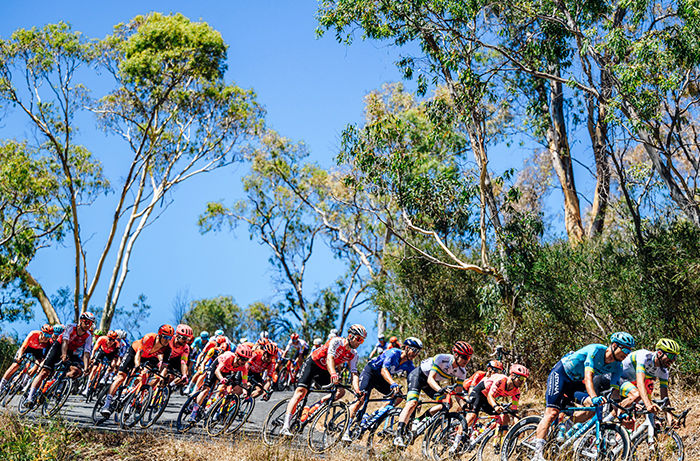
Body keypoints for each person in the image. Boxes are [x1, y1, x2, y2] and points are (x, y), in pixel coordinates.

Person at [530, 332, 635, 461]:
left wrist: (619, 412)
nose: (627, 354)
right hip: (561, 374)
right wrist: (593, 396)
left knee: (591, 408)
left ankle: (566, 426)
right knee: (552, 413)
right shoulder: (596, 350)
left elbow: (615, 393)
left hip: (575, 383)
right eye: (625, 349)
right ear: (614, 345)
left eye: (629, 351)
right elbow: (588, 377)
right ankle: (537, 455)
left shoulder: (618, 366)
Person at [280, 324, 367, 436]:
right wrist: (333, 374)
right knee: (301, 392)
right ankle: (285, 426)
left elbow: (354, 373)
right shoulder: (336, 341)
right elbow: (329, 358)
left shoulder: (353, 354)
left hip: (325, 370)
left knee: (341, 392)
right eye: (358, 339)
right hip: (313, 364)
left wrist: (357, 390)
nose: (359, 342)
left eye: (362, 341)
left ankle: (314, 407)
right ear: (350, 336)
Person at [393, 341, 473, 448]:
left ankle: (418, 420)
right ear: (456, 355)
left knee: (447, 404)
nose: (466, 361)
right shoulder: (442, 359)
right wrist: (441, 389)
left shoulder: (462, 372)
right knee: (412, 403)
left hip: (430, 382)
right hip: (419, 376)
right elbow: (431, 379)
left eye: (469, 358)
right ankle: (398, 434)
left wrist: (464, 405)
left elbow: (458, 392)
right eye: (464, 357)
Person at [342, 336, 423, 442]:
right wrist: (393, 383)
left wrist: (415, 398)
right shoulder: (393, 353)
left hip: (381, 380)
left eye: (418, 352)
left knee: (398, 397)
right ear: (407, 348)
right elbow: (384, 370)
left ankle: (373, 415)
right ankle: (346, 430)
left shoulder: (409, 365)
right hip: (370, 373)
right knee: (360, 400)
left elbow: (412, 382)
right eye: (415, 350)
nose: (416, 354)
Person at [100, 324, 173, 417]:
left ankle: (130, 399)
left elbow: (164, 366)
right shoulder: (150, 338)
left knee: (144, 376)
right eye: (165, 337)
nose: (167, 340)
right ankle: (107, 404)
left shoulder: (167, 349)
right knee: (121, 377)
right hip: (134, 352)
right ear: (160, 335)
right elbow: (138, 353)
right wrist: (137, 366)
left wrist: (162, 376)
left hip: (150, 357)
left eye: (169, 338)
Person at [25, 312, 95, 407]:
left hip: (71, 351)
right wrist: (64, 354)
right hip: (58, 347)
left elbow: (86, 353)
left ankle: (56, 382)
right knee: (44, 372)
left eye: (90, 323)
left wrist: (86, 367)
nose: (88, 325)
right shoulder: (71, 327)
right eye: (86, 322)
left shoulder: (88, 336)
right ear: (81, 321)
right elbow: (65, 341)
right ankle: (30, 396)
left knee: (77, 371)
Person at [465, 364, 529, 454]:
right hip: (480, 393)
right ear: (513, 376)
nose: (522, 382)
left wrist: (517, 422)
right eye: (521, 379)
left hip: (489, 398)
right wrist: (495, 406)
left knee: (505, 416)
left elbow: (514, 409)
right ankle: (457, 441)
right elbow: (490, 396)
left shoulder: (516, 392)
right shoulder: (501, 380)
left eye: (525, 379)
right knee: (472, 416)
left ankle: (503, 443)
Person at [187, 343, 254, 421]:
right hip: (216, 368)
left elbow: (244, 382)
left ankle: (214, 409)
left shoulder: (244, 367)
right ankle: (193, 413)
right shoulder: (228, 357)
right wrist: (221, 379)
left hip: (227, 371)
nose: (244, 362)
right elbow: (217, 371)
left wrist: (245, 391)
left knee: (226, 390)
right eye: (242, 359)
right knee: (206, 390)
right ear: (236, 355)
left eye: (246, 359)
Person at [618, 338, 679, 423]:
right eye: (671, 356)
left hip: (629, 383)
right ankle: (615, 414)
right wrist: (648, 405)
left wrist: (670, 420)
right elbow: (640, 383)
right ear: (660, 353)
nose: (673, 360)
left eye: (675, 357)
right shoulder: (644, 356)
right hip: (616, 377)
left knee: (631, 423)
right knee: (637, 395)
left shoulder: (664, 372)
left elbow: (665, 398)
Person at [0, 324, 54, 392]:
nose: (47, 338)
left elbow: (44, 357)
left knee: (37, 365)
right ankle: (1, 385)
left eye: (49, 336)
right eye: (46, 335)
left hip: (37, 351)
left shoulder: (49, 343)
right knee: (15, 365)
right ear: (41, 332)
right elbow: (23, 347)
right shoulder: (33, 334)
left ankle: (24, 381)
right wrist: (19, 356)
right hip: (27, 347)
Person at [82, 330, 121, 396]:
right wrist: (92, 357)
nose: (111, 341)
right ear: (107, 337)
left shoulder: (116, 345)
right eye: (110, 339)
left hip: (111, 354)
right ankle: (86, 388)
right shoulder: (102, 339)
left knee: (112, 365)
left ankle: (105, 376)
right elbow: (94, 349)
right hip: (102, 351)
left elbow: (115, 358)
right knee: (94, 368)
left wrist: (112, 366)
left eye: (113, 340)